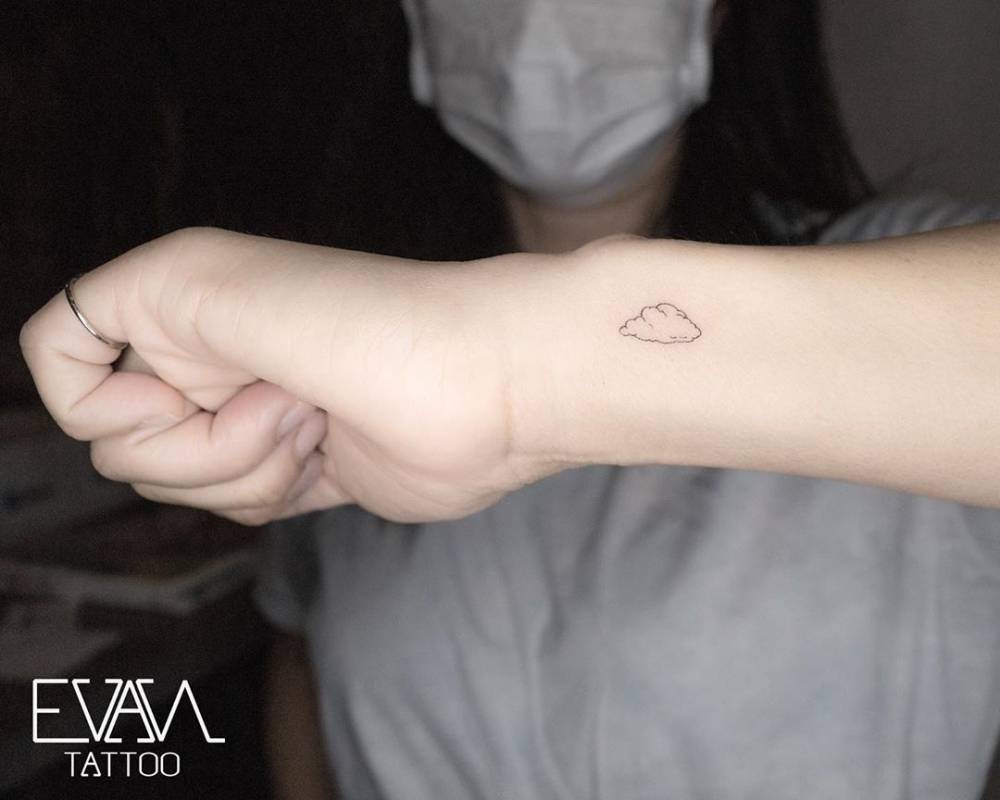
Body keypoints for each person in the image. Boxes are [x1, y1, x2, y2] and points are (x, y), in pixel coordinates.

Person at [17, 0, 1000, 797]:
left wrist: (514, 372)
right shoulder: (326, 364)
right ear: (419, 33)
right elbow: (303, 662)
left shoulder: (910, 273)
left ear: (711, 19)